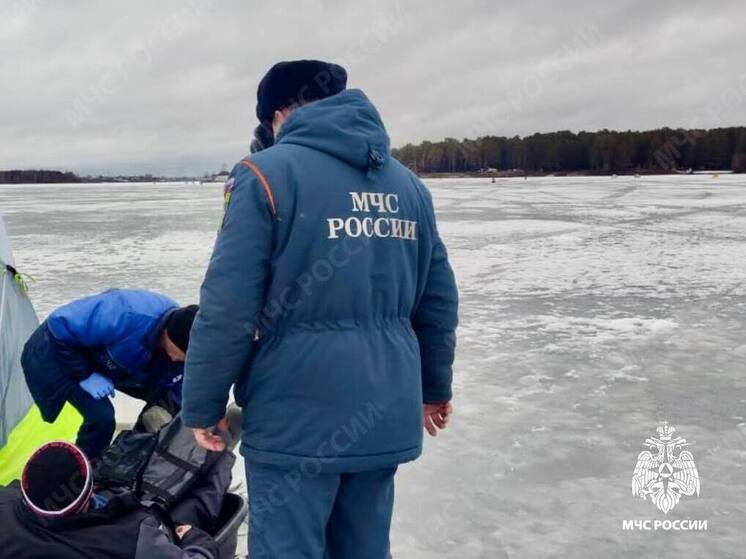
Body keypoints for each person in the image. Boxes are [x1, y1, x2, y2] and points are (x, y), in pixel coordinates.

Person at [182, 59, 459, 557]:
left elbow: (228, 306)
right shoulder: (408, 187)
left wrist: (202, 404)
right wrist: (434, 386)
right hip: (382, 411)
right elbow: (437, 302)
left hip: (296, 419)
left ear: (280, 115)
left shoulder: (264, 176)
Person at [22, 288, 198, 459]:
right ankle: (84, 474)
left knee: (168, 400)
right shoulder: (125, 313)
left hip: (111, 360)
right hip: (57, 352)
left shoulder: (184, 332)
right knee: (102, 417)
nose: (184, 360)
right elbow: (58, 324)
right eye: (185, 355)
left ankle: (131, 456)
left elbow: (178, 388)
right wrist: (85, 375)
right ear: (170, 337)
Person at [0, 440, 221, 558]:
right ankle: (220, 453)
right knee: (192, 505)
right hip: (159, 537)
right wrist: (196, 540)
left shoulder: (5, 504)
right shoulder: (130, 536)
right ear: (89, 491)